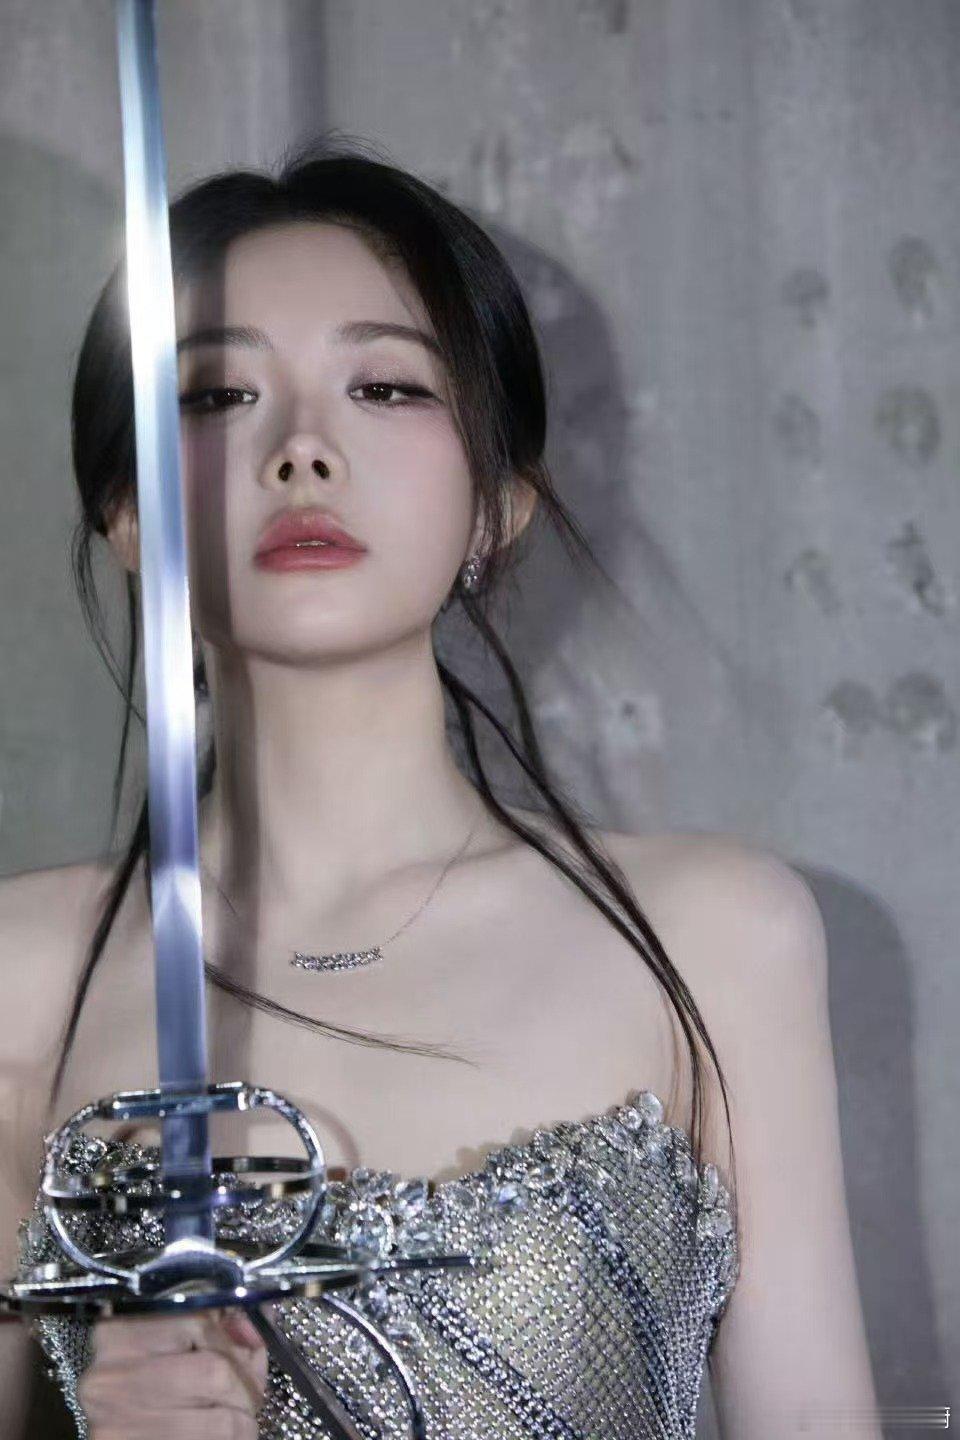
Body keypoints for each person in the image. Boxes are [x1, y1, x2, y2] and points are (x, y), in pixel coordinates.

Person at [0, 140, 881, 1439]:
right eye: (217, 395)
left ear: (497, 506)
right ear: (127, 515)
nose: (303, 450)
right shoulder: (22, 972)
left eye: (385, 386)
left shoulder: (716, 935)